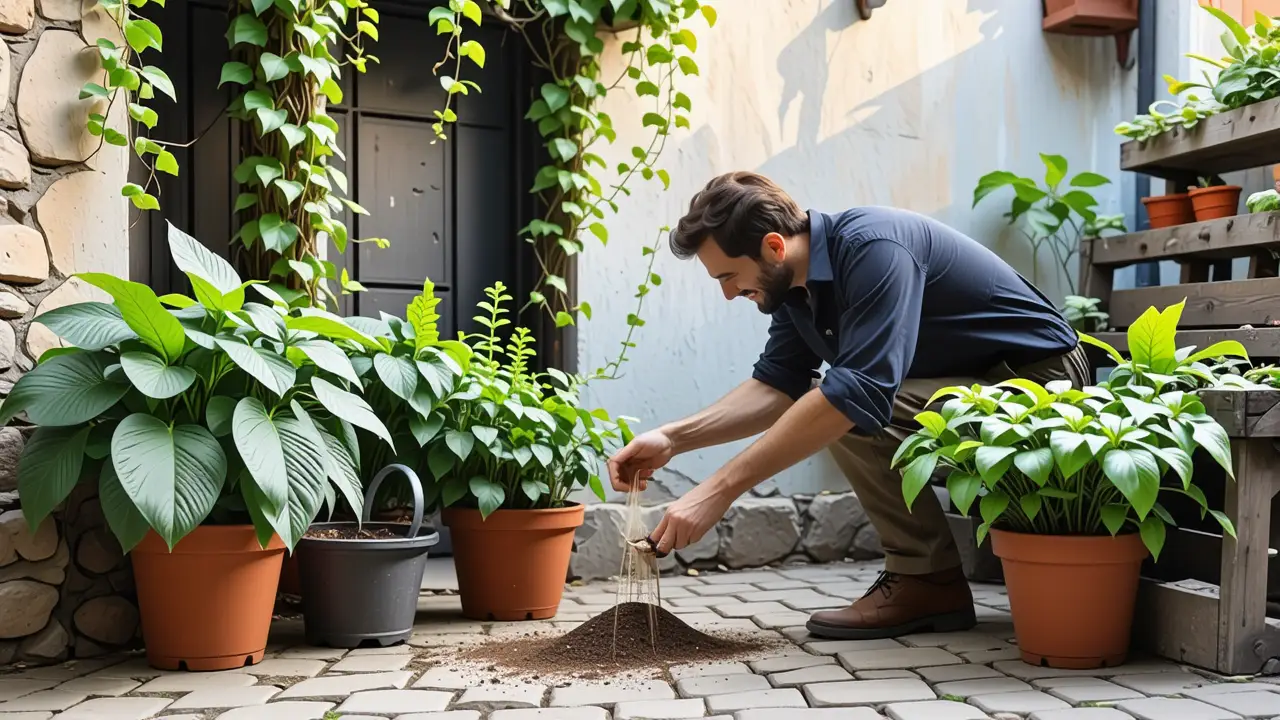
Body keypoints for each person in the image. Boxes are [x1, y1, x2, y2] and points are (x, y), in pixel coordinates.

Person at [606, 171, 1089, 640]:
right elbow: (776, 386)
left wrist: (717, 490)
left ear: (774, 246)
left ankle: (927, 580)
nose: (728, 293)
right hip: (976, 384)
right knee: (837, 401)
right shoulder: (793, 290)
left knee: (846, 404)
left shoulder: (873, 247)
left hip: (1038, 381)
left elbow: (858, 392)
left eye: (729, 276)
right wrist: (673, 438)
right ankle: (930, 583)